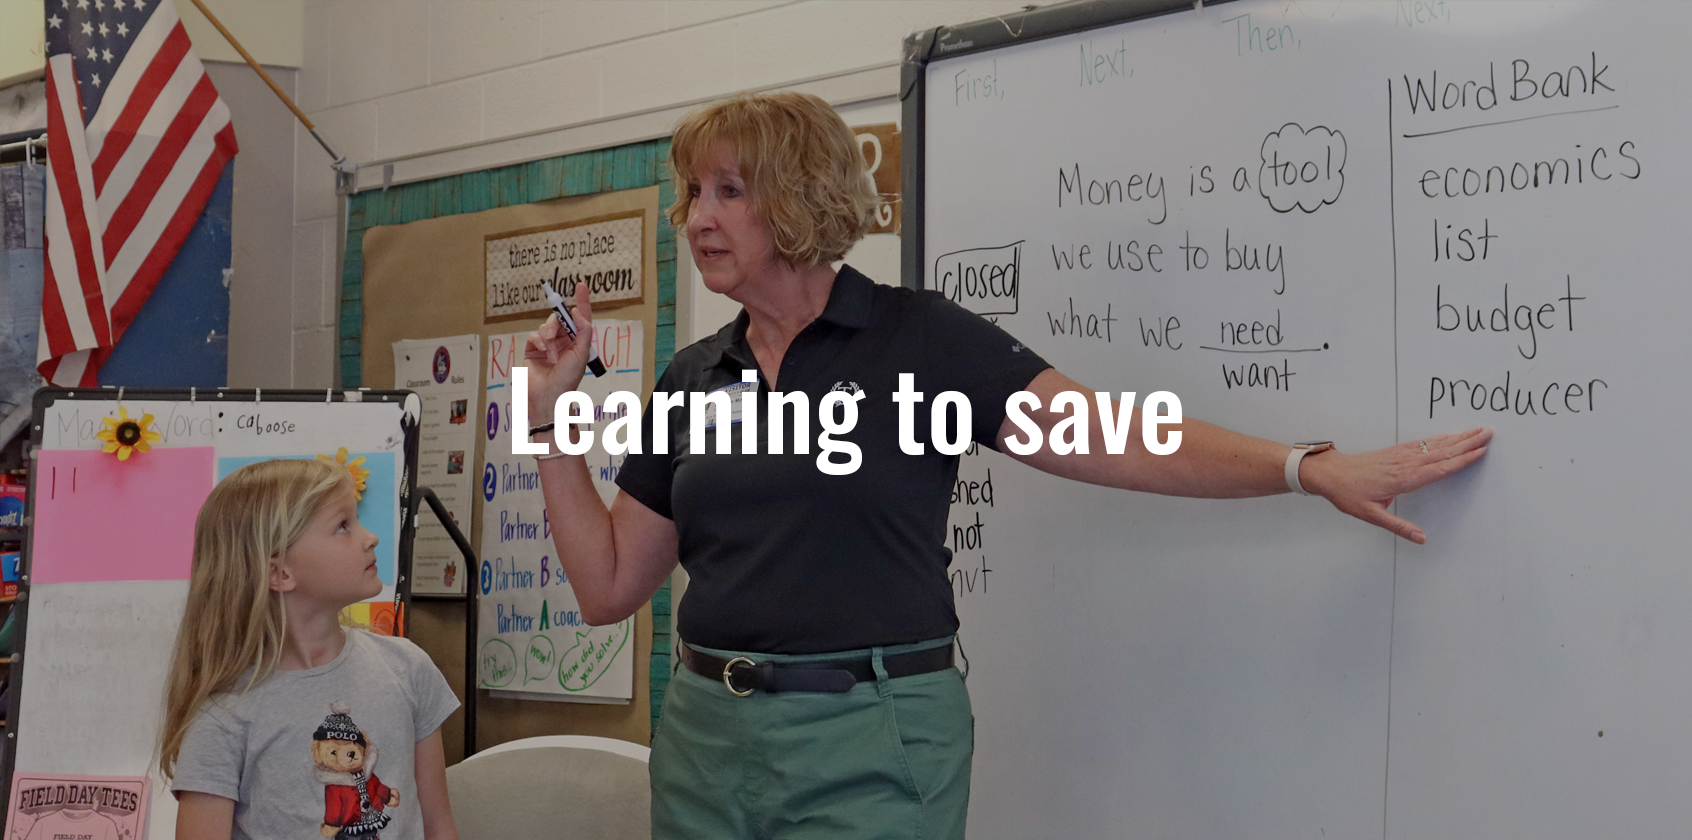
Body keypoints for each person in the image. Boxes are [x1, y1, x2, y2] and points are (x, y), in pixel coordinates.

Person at [522, 91, 1491, 839]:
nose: (697, 216)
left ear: (804, 197)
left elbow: (1115, 435)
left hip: (872, 731)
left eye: (729, 191)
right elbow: (608, 587)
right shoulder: (699, 375)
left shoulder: (915, 341)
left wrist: (1302, 466)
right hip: (704, 735)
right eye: (693, 191)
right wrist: (547, 417)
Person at [158, 459, 460, 840]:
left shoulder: (407, 668)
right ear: (280, 574)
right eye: (342, 526)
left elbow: (438, 825)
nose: (370, 537)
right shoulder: (223, 718)